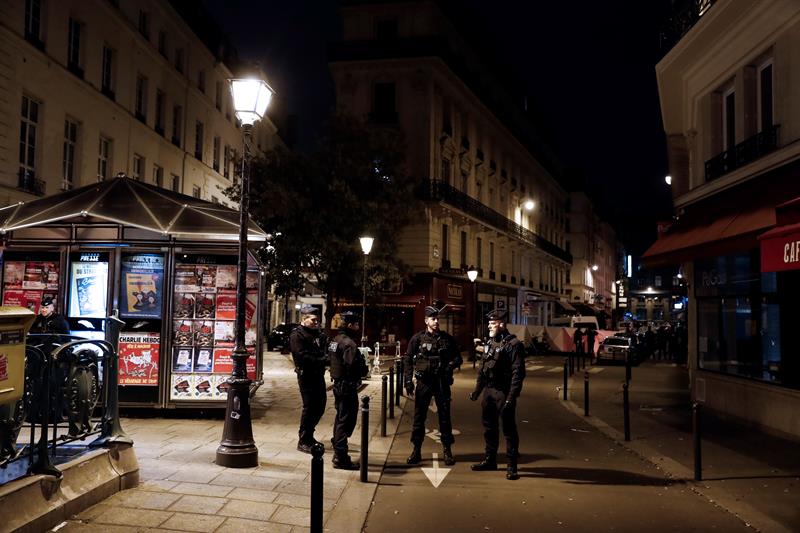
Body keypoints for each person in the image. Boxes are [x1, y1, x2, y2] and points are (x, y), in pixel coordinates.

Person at [469, 308, 525, 480]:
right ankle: (490, 460)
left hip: (504, 391)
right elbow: (483, 369)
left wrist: (511, 397)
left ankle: (511, 466)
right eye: (489, 323)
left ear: (501, 324)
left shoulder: (513, 345)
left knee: (508, 429)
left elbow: (518, 373)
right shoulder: (489, 343)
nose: (489, 326)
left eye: (492, 324)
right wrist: (478, 391)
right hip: (489, 391)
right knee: (489, 427)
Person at [403, 305, 462, 466]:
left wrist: (449, 366)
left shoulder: (446, 339)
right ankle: (416, 450)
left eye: (438, 319)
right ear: (426, 320)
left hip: (441, 383)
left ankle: (447, 450)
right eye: (433, 319)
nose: (436, 321)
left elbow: (458, 358)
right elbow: (407, 359)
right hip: (424, 382)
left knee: (445, 418)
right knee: (419, 417)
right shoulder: (418, 339)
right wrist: (408, 381)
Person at [327, 311, 369, 470]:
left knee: (340, 418)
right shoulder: (349, 344)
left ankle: (338, 448)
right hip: (347, 386)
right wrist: (363, 369)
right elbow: (353, 366)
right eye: (357, 324)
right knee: (346, 420)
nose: (358, 327)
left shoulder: (335, 340)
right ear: (350, 325)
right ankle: (341, 456)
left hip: (338, 384)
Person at [289, 305, 329, 454]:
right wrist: (323, 359)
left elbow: (325, 348)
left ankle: (309, 434)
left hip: (318, 375)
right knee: (310, 407)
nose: (316, 322)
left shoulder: (318, 334)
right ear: (303, 319)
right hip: (306, 376)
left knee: (320, 406)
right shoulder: (297, 335)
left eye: (317, 320)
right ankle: (303, 439)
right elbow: (302, 357)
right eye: (313, 320)